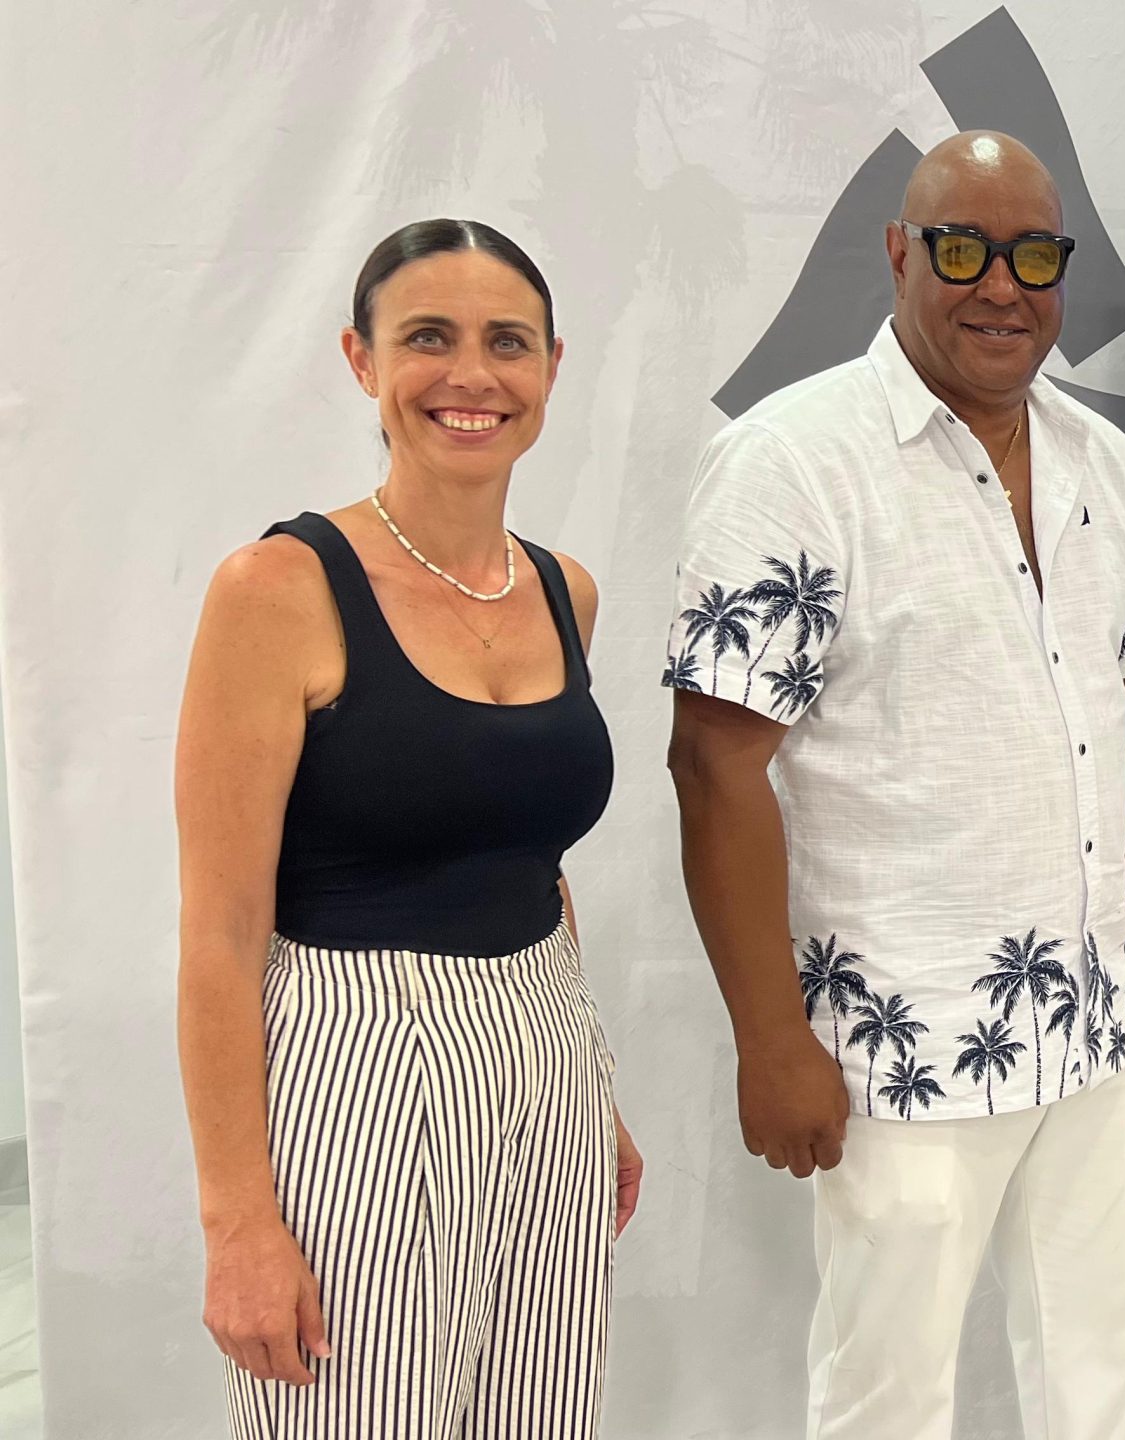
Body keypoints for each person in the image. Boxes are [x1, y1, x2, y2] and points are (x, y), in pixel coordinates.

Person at [664, 131, 1125, 1440]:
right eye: (963, 250)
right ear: (901, 253)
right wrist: (770, 1040)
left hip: (1099, 1031)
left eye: (1032, 256)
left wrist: (1123, 914)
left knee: (1096, 1387)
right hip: (897, 1048)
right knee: (886, 1403)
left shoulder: (1107, 462)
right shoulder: (794, 459)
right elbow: (715, 761)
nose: (1001, 287)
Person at [174, 219, 636, 1439]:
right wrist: (237, 1221)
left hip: (546, 1052)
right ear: (361, 359)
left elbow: (532, 861)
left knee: (540, 1417)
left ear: (550, 369)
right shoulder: (277, 591)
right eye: (428, 337)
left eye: (508, 343)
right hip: (356, 1059)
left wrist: (590, 1091)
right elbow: (220, 930)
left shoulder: (565, 589)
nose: (470, 375)